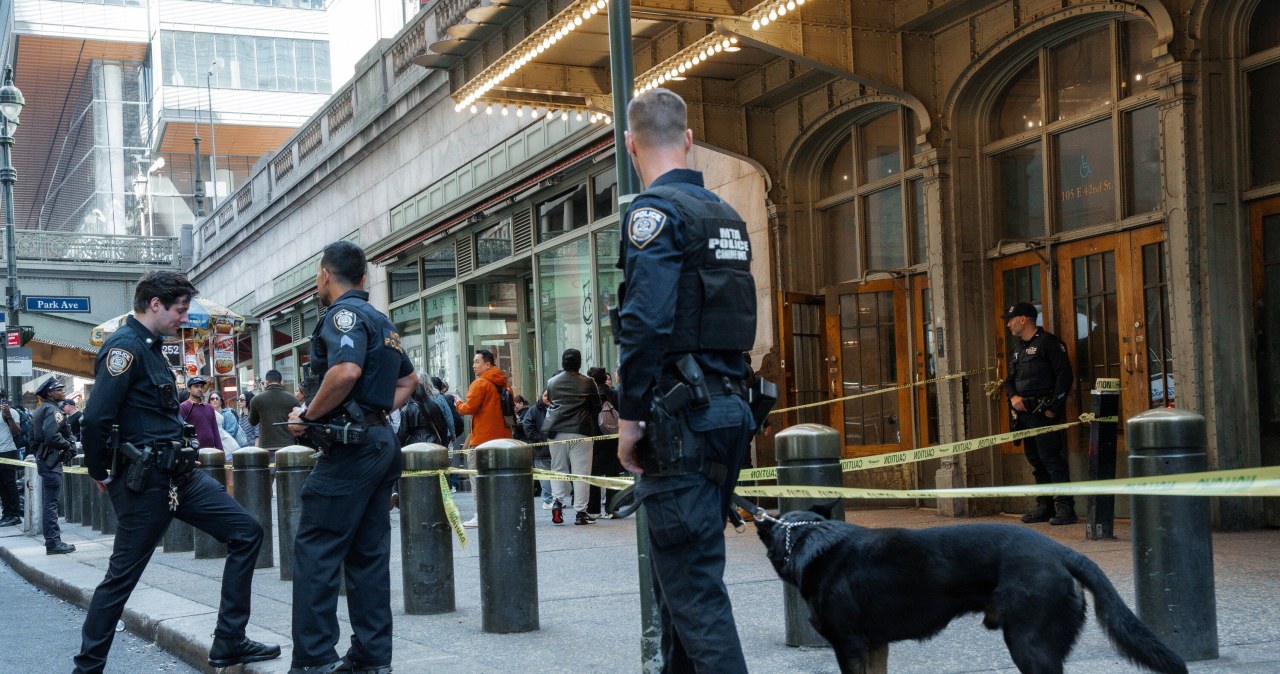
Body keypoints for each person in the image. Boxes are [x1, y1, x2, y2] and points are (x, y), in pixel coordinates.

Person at [614, 88, 758, 672]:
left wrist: (628, 417)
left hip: (680, 421)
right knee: (680, 587)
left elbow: (645, 322)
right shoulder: (725, 215)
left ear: (630, 145)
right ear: (690, 139)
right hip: (728, 412)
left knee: (693, 592)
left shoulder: (653, 214)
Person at [75, 270, 279, 673]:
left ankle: (229, 641)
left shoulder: (152, 348)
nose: (184, 318)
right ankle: (87, 668)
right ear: (155, 304)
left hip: (180, 477)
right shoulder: (125, 347)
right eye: (180, 310)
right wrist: (101, 471)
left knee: (246, 531)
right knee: (121, 579)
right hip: (144, 483)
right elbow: (95, 418)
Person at [285, 240, 416, 674]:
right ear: (363, 277)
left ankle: (314, 659)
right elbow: (409, 381)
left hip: (351, 449)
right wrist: (372, 413)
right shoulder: (382, 321)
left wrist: (309, 415)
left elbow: (346, 370)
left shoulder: (342, 315)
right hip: (378, 442)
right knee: (367, 556)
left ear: (325, 275)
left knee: (317, 550)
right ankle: (371, 658)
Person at [1003, 301, 1076, 525]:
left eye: (1010, 320)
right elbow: (1009, 381)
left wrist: (1053, 410)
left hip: (1043, 413)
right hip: (1025, 416)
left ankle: (1065, 508)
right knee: (1036, 461)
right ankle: (1044, 506)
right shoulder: (1017, 350)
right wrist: (1013, 397)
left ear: (1023, 319)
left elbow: (1065, 377)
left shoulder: (1049, 343)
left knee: (1051, 459)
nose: (1008, 325)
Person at [454, 349, 513, 528]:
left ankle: (482, 515)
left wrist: (458, 402)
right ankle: (500, 514)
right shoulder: (504, 384)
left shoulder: (480, 384)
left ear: (488, 364)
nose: (473, 365)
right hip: (503, 440)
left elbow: (468, 409)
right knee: (499, 479)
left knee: (477, 478)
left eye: (477, 362)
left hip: (481, 440)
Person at [543, 348, 602, 526]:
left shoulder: (552, 382)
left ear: (563, 362)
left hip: (555, 430)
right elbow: (596, 406)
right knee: (581, 473)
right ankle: (580, 513)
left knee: (558, 469)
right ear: (579, 363)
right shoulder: (588, 382)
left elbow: (551, 401)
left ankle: (557, 502)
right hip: (581, 429)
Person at [32, 378, 77, 555]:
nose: (62, 391)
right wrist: (68, 445)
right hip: (51, 461)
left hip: (46, 459)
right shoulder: (52, 410)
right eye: (59, 389)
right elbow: (52, 436)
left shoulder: (41, 410)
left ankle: (53, 540)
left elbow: (33, 440)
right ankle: (53, 542)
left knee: (50, 502)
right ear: (50, 393)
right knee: (51, 503)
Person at [250, 369, 296, 452]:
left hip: (266, 446)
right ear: (281, 382)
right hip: (287, 446)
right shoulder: (293, 399)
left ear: (266, 382)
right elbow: (298, 423)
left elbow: (252, 422)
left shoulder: (256, 399)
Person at [521, 390, 553, 507]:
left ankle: (556, 499)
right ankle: (548, 500)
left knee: (557, 476)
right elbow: (527, 426)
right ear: (541, 396)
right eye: (545, 395)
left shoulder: (557, 408)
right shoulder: (533, 410)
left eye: (550, 396)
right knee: (545, 478)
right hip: (541, 450)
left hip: (556, 449)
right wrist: (538, 439)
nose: (547, 398)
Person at [179, 375, 223, 455]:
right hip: (192, 452)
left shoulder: (209, 408)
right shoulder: (183, 407)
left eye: (201, 386)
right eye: (196, 386)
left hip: (210, 451)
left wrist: (220, 451)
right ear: (189, 389)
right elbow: (180, 432)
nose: (199, 389)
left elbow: (215, 431)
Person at [0, 390, 23, 527]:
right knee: (1, 486)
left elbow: (16, 432)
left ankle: (15, 515)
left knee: (9, 484)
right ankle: (6, 514)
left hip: (7, 451)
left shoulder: (11, 412)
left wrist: (8, 415)